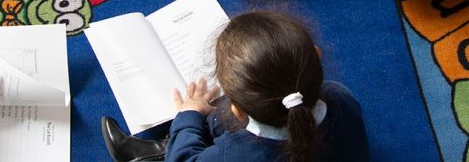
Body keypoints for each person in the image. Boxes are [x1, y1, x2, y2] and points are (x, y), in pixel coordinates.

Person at [100, 11, 369, 162]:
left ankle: (165, 149)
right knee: (217, 120)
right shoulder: (340, 97)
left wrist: (189, 115)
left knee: (204, 127)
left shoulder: (235, 155)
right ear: (316, 55)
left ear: (237, 111)